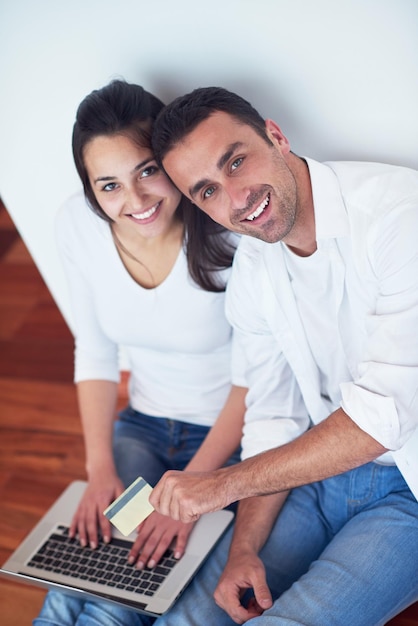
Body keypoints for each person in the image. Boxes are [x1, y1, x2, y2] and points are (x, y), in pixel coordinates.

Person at [145, 86, 418, 625]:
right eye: (208, 191)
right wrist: (243, 547)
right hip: (315, 473)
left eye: (237, 162)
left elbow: (385, 418)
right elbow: (273, 413)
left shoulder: (398, 217)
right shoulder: (253, 268)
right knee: (188, 617)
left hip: (409, 490)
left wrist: (219, 485)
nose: (237, 199)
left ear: (276, 135)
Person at [33, 81, 247, 626]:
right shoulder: (76, 226)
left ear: (171, 161)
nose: (135, 201)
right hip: (144, 430)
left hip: (224, 444)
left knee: (116, 600)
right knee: (76, 577)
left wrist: (198, 491)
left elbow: (257, 379)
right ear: (90, 191)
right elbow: (97, 351)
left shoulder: (228, 234)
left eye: (147, 170)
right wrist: (97, 468)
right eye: (108, 186)